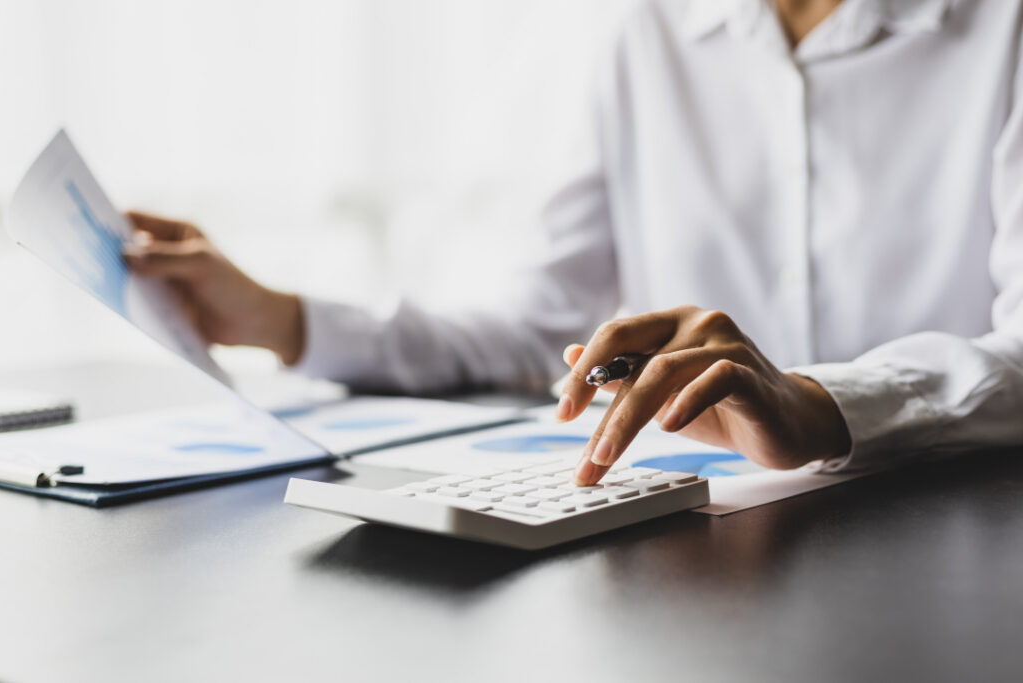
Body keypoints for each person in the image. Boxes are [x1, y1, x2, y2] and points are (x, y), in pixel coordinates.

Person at [124, 0, 1023, 487]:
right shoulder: (647, 35)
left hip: (953, 533)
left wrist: (821, 404)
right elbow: (541, 332)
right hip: (714, 561)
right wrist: (284, 320)